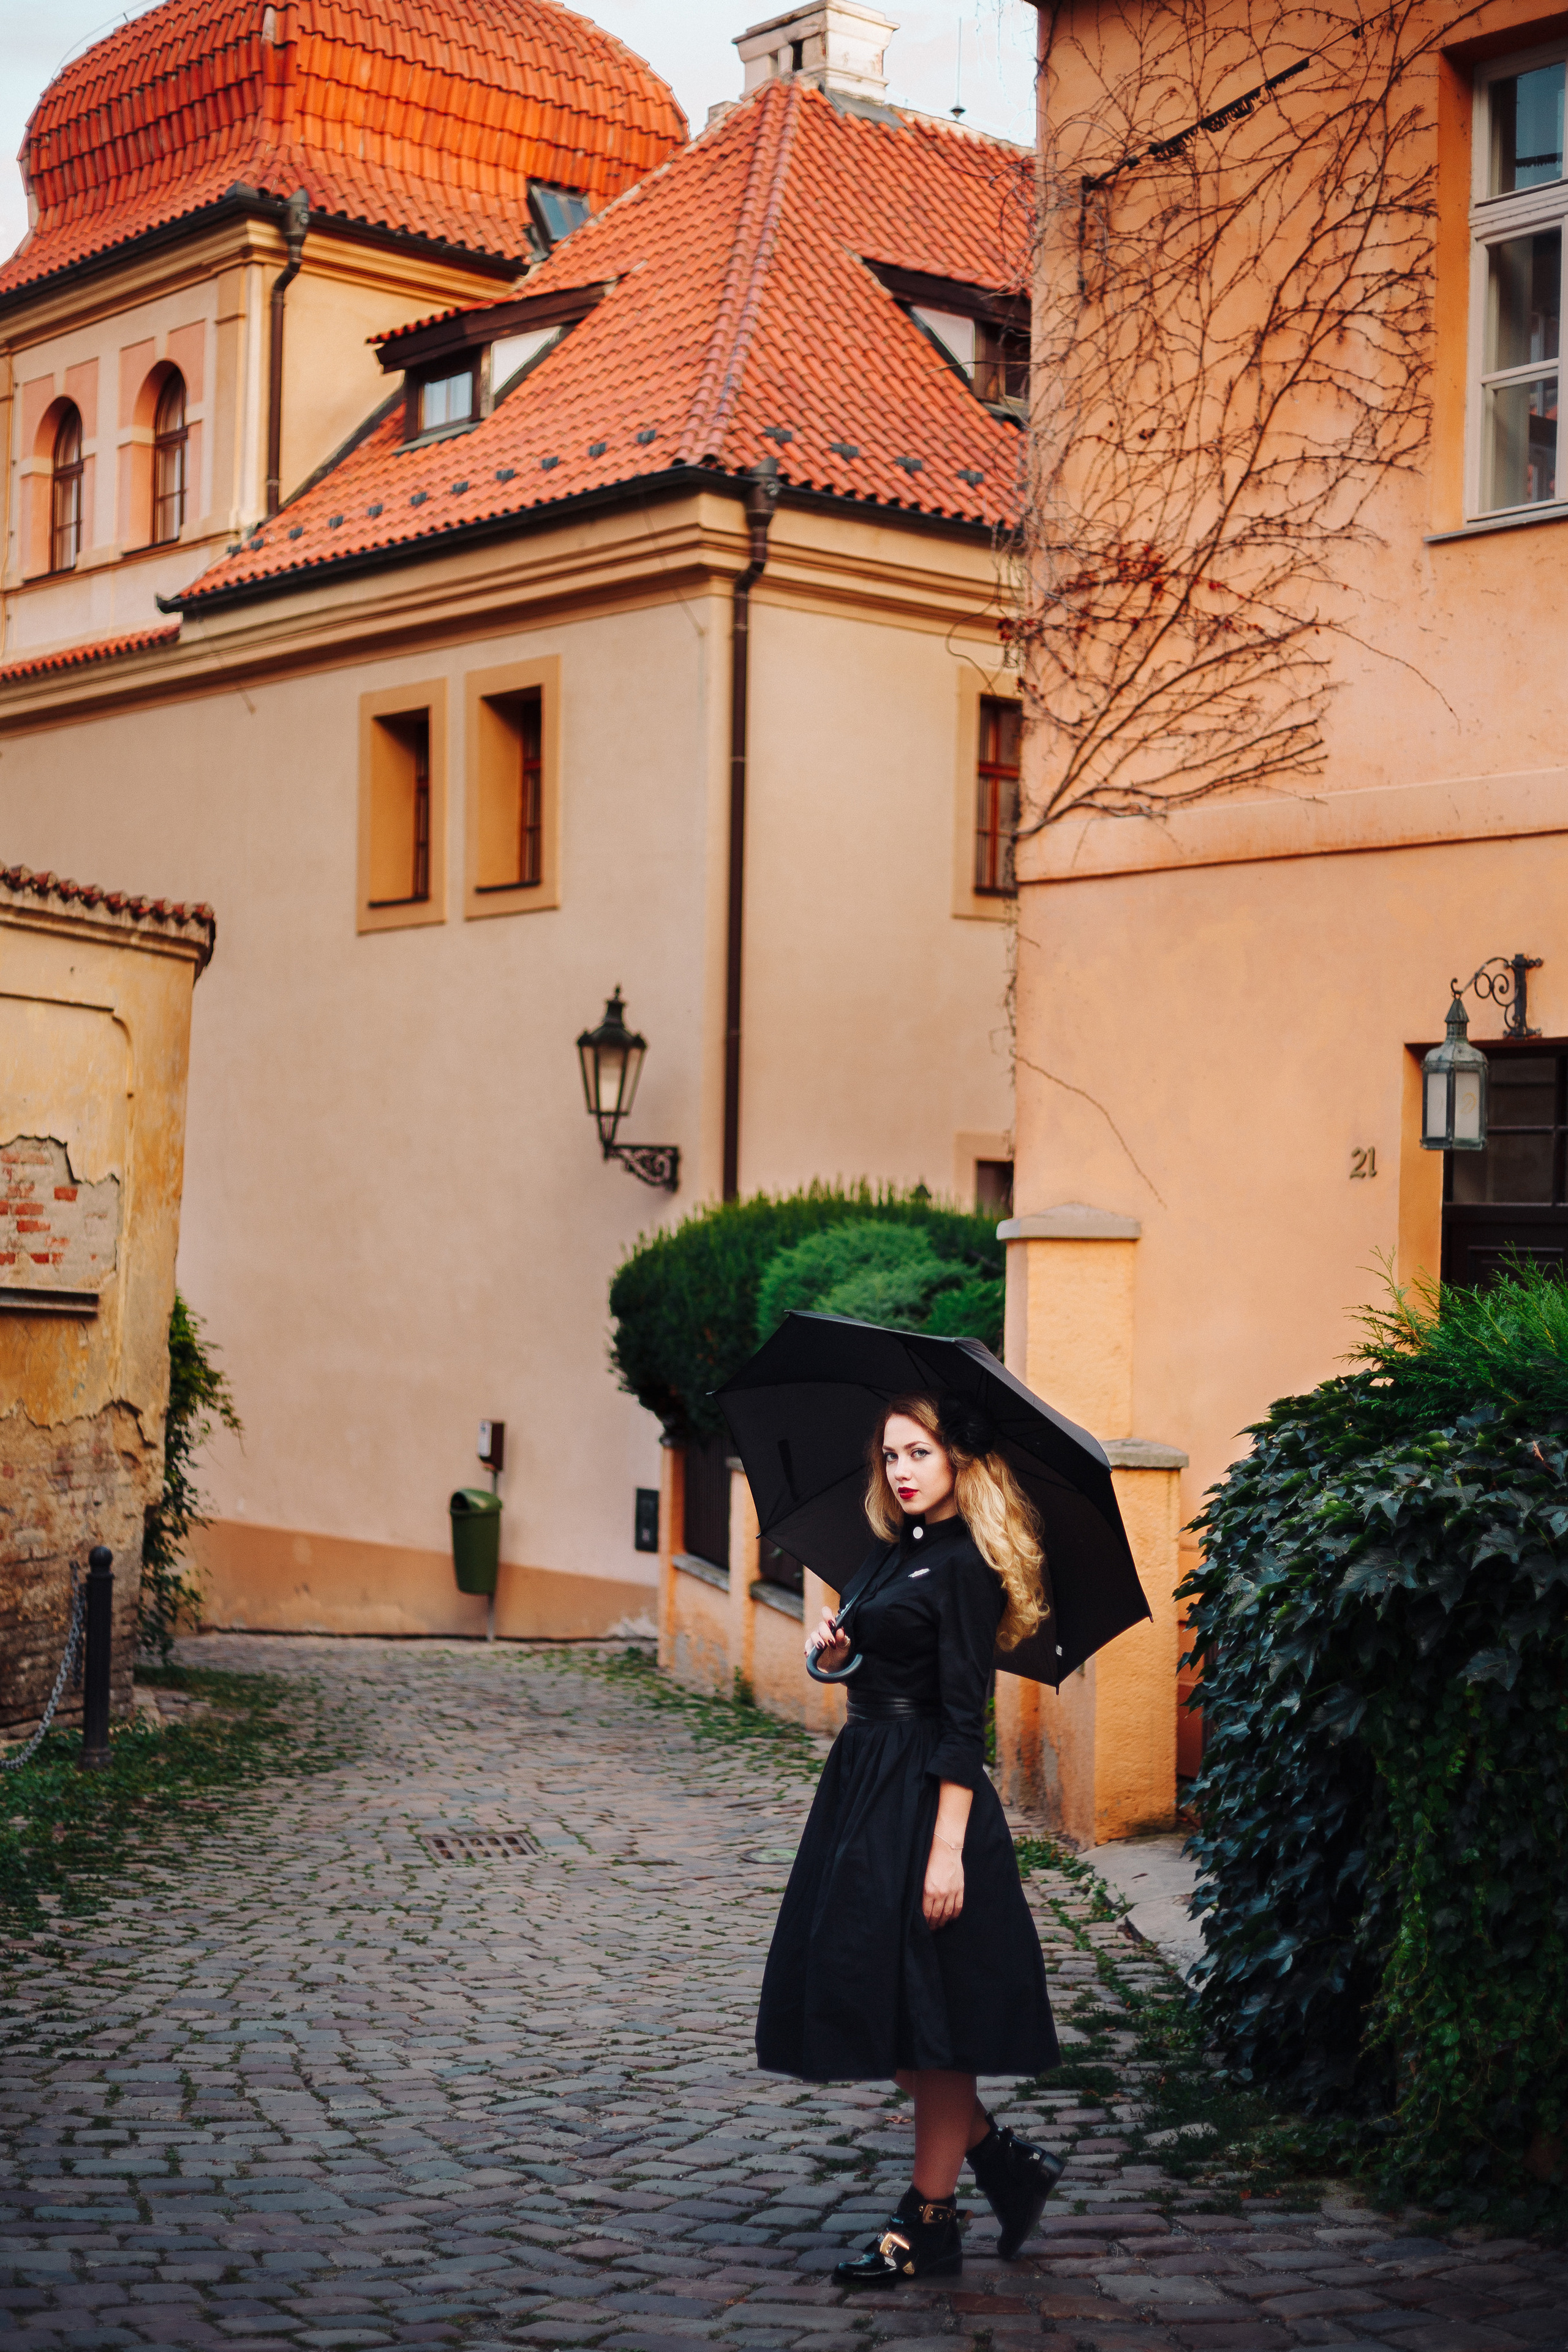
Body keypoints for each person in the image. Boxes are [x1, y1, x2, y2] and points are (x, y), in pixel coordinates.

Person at [754, 1392, 1064, 2284]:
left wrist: (946, 1849)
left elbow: (966, 1718)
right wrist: (835, 1652)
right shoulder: (892, 1555)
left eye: (920, 1453)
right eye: (890, 1455)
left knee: (934, 2022)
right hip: (865, 1788)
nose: (901, 1470)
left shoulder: (964, 1567)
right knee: (874, 2001)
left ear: (959, 1461)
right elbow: (865, 1662)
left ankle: (929, 2222)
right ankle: (1002, 2161)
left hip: (927, 1797)